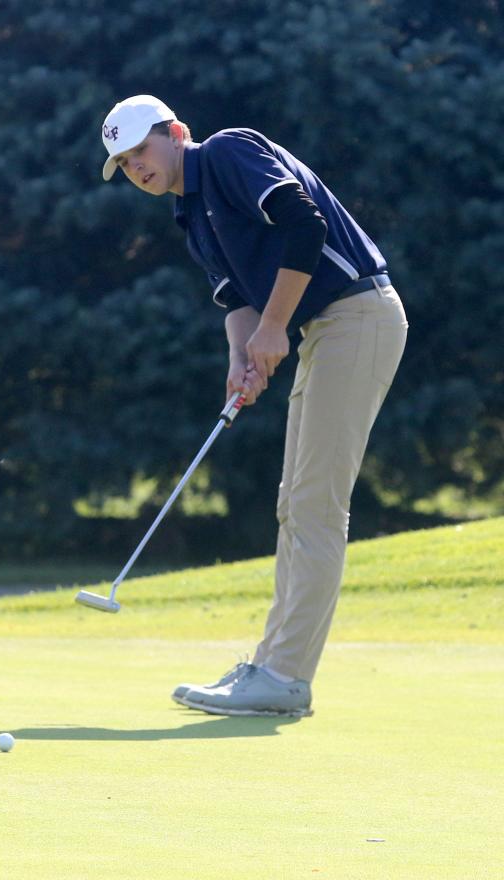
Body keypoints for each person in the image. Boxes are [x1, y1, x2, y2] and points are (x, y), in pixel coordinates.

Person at [100, 95, 408, 717]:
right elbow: (236, 301)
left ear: (176, 132)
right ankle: (269, 667)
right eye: (124, 162)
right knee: (294, 503)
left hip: (358, 315)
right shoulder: (193, 217)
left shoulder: (227, 151)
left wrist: (274, 329)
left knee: (316, 503)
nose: (137, 167)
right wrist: (242, 357)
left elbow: (305, 225)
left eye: (142, 150)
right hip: (326, 328)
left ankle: (286, 676)